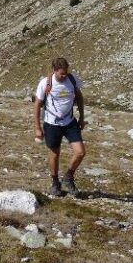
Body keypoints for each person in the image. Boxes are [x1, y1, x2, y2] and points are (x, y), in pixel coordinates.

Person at [33, 57, 85, 197]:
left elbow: (79, 97)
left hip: (70, 122)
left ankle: (68, 177)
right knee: (55, 153)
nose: (64, 76)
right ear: (54, 70)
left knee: (80, 152)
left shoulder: (72, 79)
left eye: (66, 73)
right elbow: (37, 104)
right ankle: (55, 183)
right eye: (62, 73)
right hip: (51, 124)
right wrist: (37, 127)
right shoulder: (45, 83)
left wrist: (82, 117)